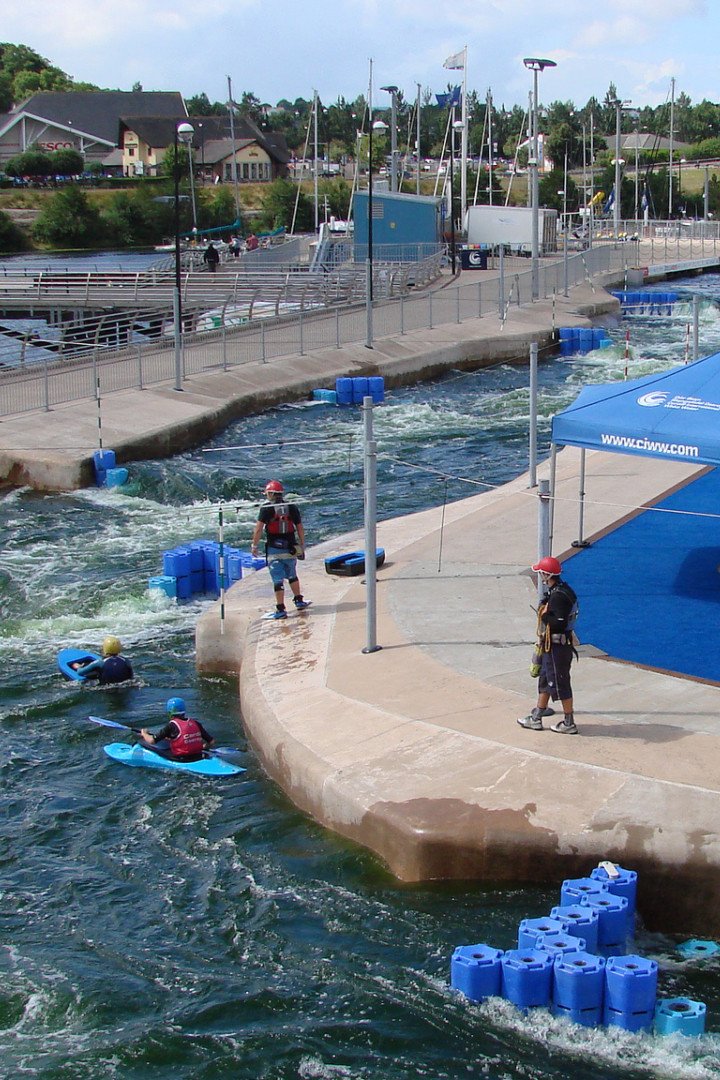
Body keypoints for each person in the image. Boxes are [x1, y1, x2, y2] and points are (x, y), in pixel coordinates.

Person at [518, 556, 579, 735]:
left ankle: (569, 722)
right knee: (545, 679)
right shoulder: (560, 590)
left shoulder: (559, 596)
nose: (540, 576)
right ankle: (537, 717)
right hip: (551, 646)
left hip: (557, 648)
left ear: (547, 574)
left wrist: (544, 615)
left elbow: (558, 622)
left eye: (541, 573)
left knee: (561, 682)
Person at [251, 479, 310, 620]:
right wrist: (302, 545)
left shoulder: (266, 509)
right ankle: (299, 600)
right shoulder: (292, 507)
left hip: (274, 550)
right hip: (291, 549)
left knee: (277, 580)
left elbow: (259, 529)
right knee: (292, 575)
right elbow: (300, 527)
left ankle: (280, 608)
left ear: (270, 494)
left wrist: (254, 545)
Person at [139, 697, 214, 762]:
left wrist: (144, 733)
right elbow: (211, 742)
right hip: (198, 755)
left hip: (182, 759)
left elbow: (152, 741)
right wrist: (203, 747)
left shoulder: (171, 726)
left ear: (169, 713)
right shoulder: (195, 723)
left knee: (143, 743)